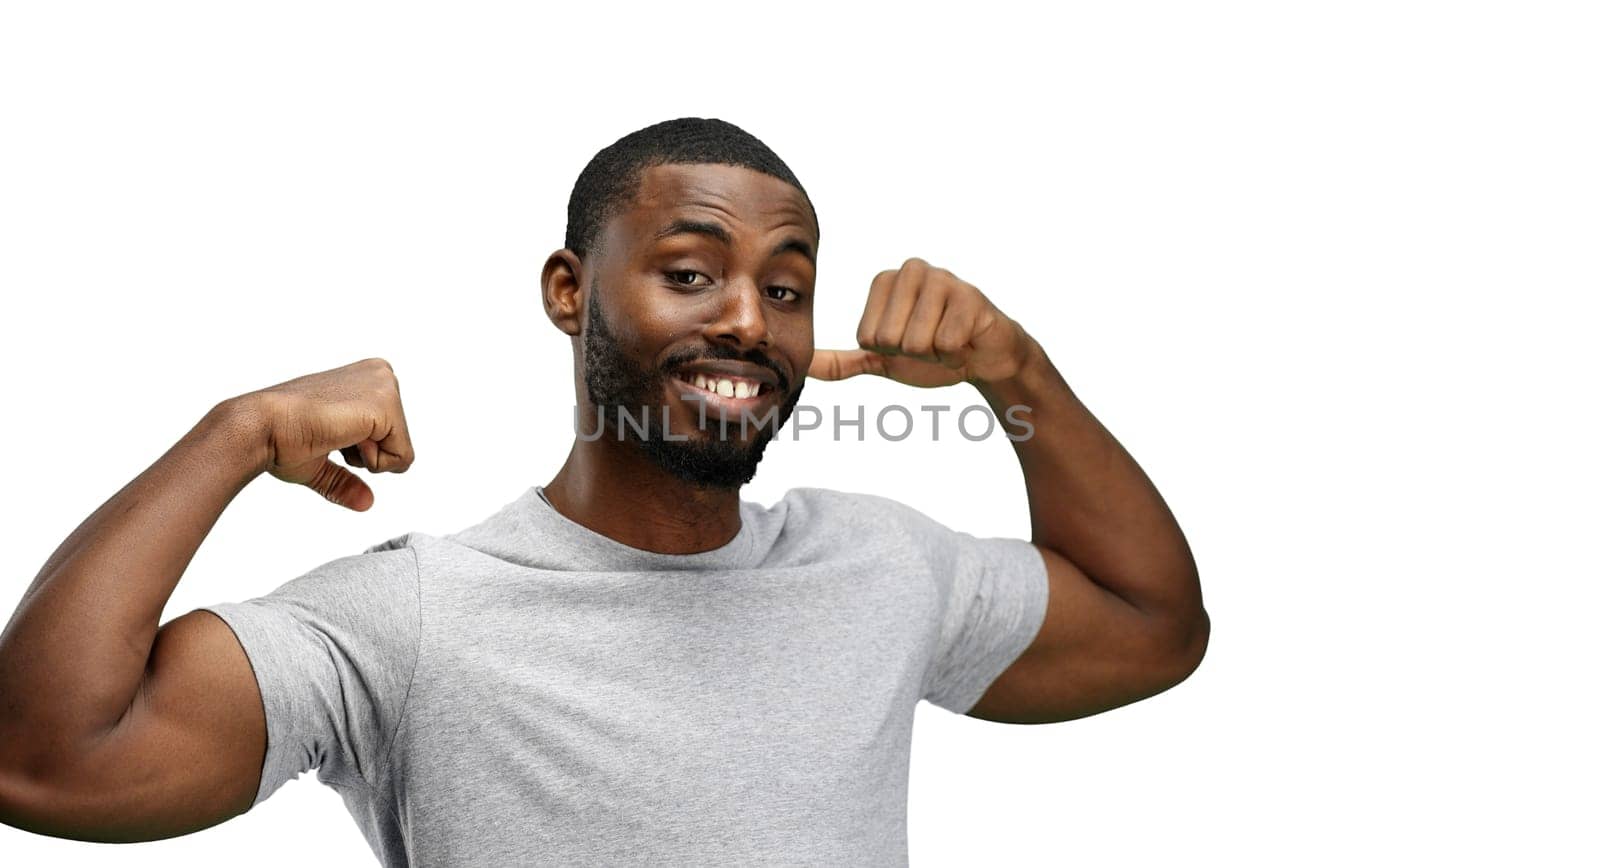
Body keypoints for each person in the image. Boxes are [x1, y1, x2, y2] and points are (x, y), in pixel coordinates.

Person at [0, 117, 1208, 865]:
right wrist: (236, 433)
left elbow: (1154, 627)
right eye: (690, 272)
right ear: (568, 290)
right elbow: (47, 762)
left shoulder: (883, 567)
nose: (747, 319)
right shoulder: (419, 617)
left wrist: (1015, 375)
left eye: (786, 290)